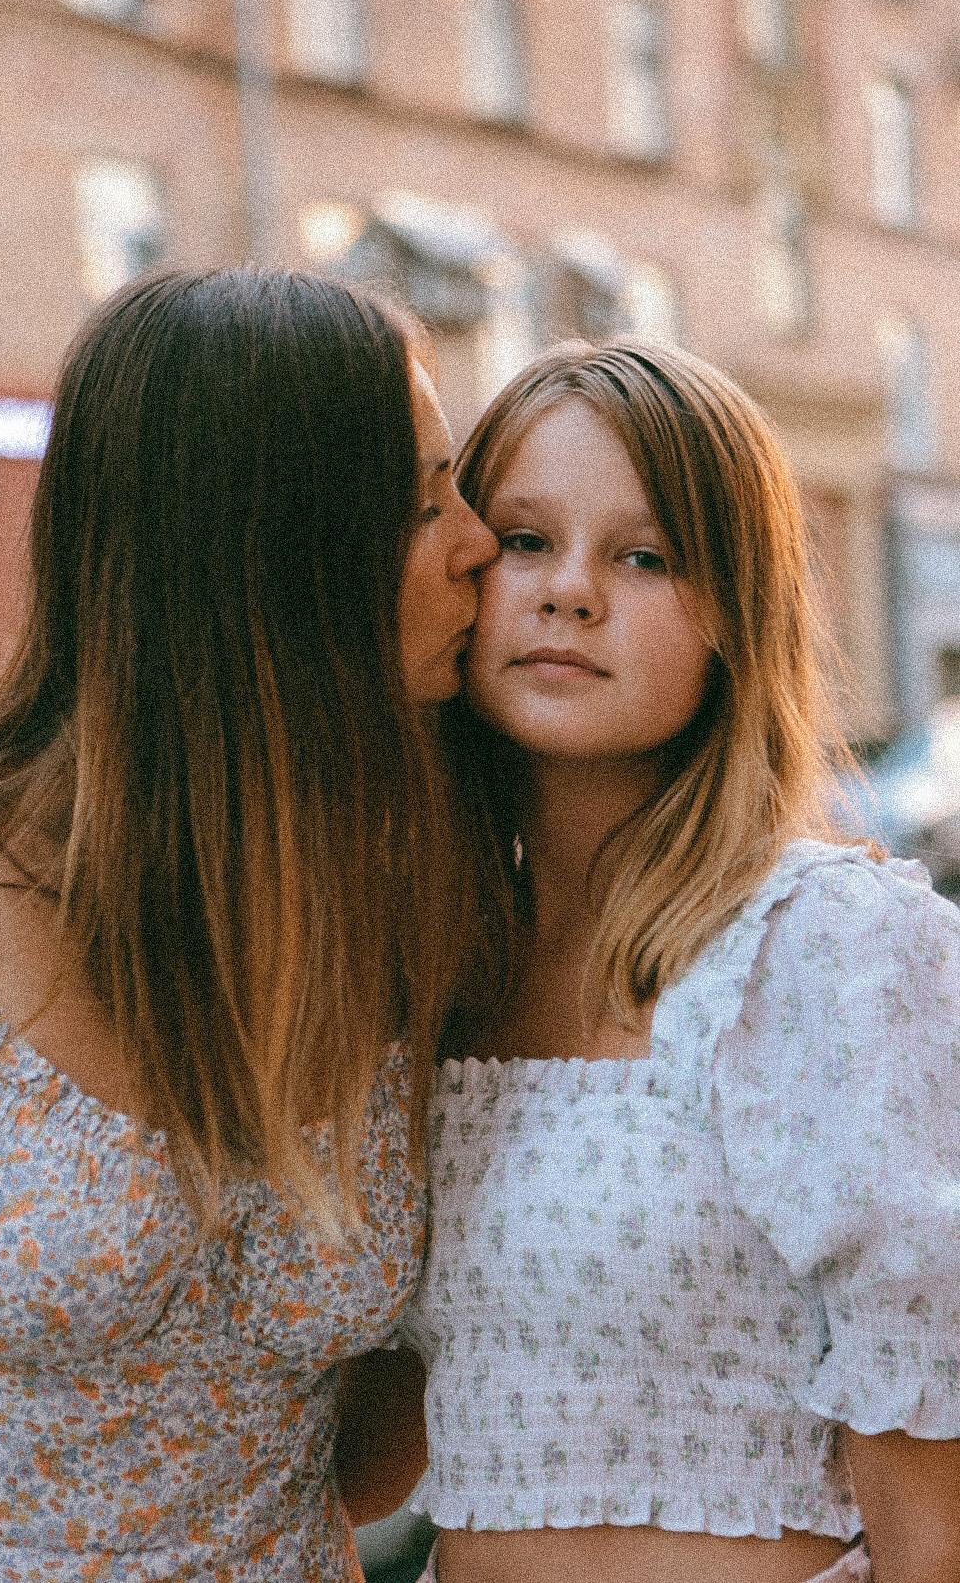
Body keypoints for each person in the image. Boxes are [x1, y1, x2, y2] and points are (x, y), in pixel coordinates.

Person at [0, 266, 496, 1581]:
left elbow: (374, 1436)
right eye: (421, 500)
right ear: (266, 552)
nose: (479, 544)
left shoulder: (410, 900)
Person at [396, 341, 960, 1583]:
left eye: (644, 556)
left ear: (732, 617)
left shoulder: (825, 951)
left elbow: (939, 1534)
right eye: (528, 542)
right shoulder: (426, 963)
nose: (572, 593)